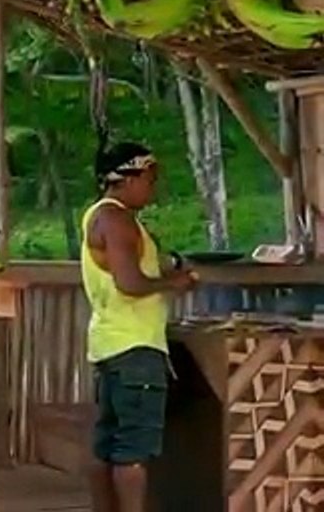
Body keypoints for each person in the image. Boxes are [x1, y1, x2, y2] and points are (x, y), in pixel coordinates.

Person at [80, 141, 196, 512]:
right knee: (132, 452)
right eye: (149, 179)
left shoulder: (101, 216)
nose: (152, 188)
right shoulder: (117, 220)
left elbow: (130, 266)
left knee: (107, 446)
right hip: (135, 348)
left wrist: (165, 265)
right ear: (128, 179)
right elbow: (129, 283)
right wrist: (174, 283)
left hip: (109, 345)